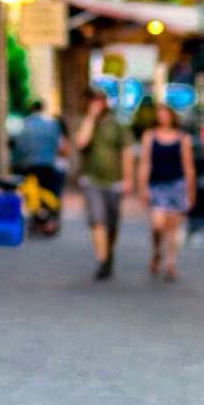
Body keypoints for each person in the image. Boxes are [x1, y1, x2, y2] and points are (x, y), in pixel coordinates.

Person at [74, 88, 134, 279]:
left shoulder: (116, 125)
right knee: (97, 219)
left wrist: (128, 178)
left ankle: (108, 253)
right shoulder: (83, 122)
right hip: (91, 179)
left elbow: (126, 152)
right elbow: (81, 142)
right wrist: (91, 118)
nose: (97, 105)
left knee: (112, 223)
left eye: (100, 101)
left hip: (114, 181)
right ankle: (102, 260)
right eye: (94, 101)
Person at [138, 104, 196, 281]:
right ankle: (157, 251)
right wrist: (142, 187)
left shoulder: (182, 138)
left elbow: (188, 166)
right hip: (156, 184)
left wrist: (190, 190)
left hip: (176, 184)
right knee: (157, 224)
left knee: (172, 227)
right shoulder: (149, 136)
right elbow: (145, 162)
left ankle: (170, 263)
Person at [12, 100, 68, 235]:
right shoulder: (52, 125)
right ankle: (50, 222)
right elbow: (60, 146)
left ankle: (35, 221)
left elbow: (19, 147)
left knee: (32, 195)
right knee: (49, 194)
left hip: (28, 166)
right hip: (48, 165)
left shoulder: (24, 125)